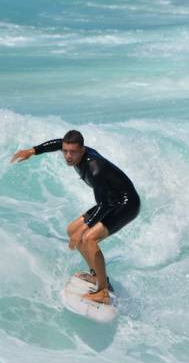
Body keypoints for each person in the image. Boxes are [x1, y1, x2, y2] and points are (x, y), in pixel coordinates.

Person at [10, 130, 140, 304]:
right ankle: (97, 276)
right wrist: (32, 151)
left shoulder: (95, 169)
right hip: (111, 200)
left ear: (83, 150)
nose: (68, 156)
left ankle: (103, 292)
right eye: (65, 151)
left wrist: (85, 230)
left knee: (89, 238)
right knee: (72, 231)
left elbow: (103, 206)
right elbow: (58, 143)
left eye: (73, 152)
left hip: (126, 204)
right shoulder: (72, 151)